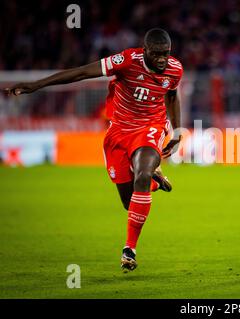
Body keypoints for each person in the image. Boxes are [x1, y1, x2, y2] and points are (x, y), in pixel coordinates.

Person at [4, 28, 183, 272]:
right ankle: (153, 180)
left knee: (141, 173)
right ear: (145, 51)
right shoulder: (127, 61)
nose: (163, 59)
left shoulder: (175, 69)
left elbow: (171, 96)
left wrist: (179, 131)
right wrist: (37, 85)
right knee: (129, 203)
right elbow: (81, 73)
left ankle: (129, 249)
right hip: (119, 132)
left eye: (167, 53)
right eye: (158, 54)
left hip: (151, 127)